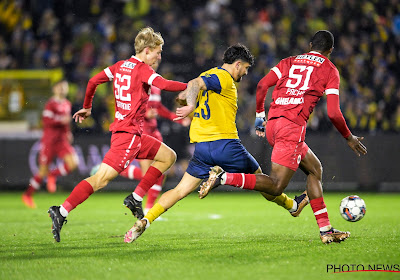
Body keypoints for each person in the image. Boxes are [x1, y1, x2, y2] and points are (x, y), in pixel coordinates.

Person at [124, 43, 309, 243]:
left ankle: (145, 221)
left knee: (179, 190)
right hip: (226, 144)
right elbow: (194, 84)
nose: (245, 73)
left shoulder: (209, 74)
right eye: (245, 68)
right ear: (237, 64)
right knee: (267, 183)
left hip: (203, 149)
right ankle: (291, 205)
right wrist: (191, 104)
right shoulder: (223, 78)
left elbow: (187, 90)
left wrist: (185, 101)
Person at [199, 30, 368, 244]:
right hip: (292, 127)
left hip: (273, 123)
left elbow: (262, 85)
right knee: (277, 185)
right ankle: (224, 177)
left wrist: (260, 115)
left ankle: (326, 230)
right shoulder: (329, 69)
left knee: (315, 169)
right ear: (330, 51)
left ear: (309, 45)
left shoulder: (289, 61)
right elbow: (334, 113)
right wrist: (349, 137)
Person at [48, 27, 188, 242]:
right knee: (100, 180)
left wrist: (87, 106)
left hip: (130, 134)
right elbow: (165, 84)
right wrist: (195, 85)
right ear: (148, 50)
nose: (159, 57)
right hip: (129, 136)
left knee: (168, 157)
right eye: (158, 52)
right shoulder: (142, 69)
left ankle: (135, 197)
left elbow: (93, 81)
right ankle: (62, 211)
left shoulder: (120, 65)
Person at [90, 61, 191, 213]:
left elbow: (158, 109)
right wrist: (145, 113)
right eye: (155, 57)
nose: (157, 61)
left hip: (154, 130)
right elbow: (129, 104)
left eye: (159, 58)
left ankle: (150, 207)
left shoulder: (155, 83)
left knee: (160, 171)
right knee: (148, 174)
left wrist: (174, 117)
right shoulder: (137, 79)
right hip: (140, 129)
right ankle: (117, 171)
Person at [22, 80, 78, 208]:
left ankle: (53, 175)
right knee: (42, 171)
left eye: (64, 87)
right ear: (54, 89)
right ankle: (27, 195)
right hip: (50, 140)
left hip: (62, 139)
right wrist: (61, 120)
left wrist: (68, 132)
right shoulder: (50, 104)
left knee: (73, 163)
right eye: (60, 87)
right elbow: (47, 121)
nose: (62, 89)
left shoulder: (67, 104)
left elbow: (67, 122)